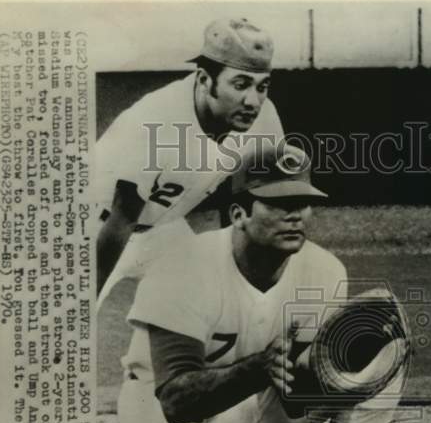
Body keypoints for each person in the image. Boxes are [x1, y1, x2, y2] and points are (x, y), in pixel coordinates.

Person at [116, 144, 408, 423]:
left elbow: (295, 393)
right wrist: (258, 370)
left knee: (382, 358)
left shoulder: (324, 271)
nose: (296, 215)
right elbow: (176, 401)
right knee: (236, 398)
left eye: (302, 202)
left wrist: (345, 358)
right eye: (278, 202)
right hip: (153, 416)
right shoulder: (184, 268)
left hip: (246, 406)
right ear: (238, 213)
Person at [91, 17, 285, 306]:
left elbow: (247, 200)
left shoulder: (263, 117)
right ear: (205, 80)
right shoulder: (155, 119)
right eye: (241, 84)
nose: (253, 101)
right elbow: (123, 217)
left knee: (211, 309)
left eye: (262, 86)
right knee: (65, 332)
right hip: (95, 227)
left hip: (163, 230)